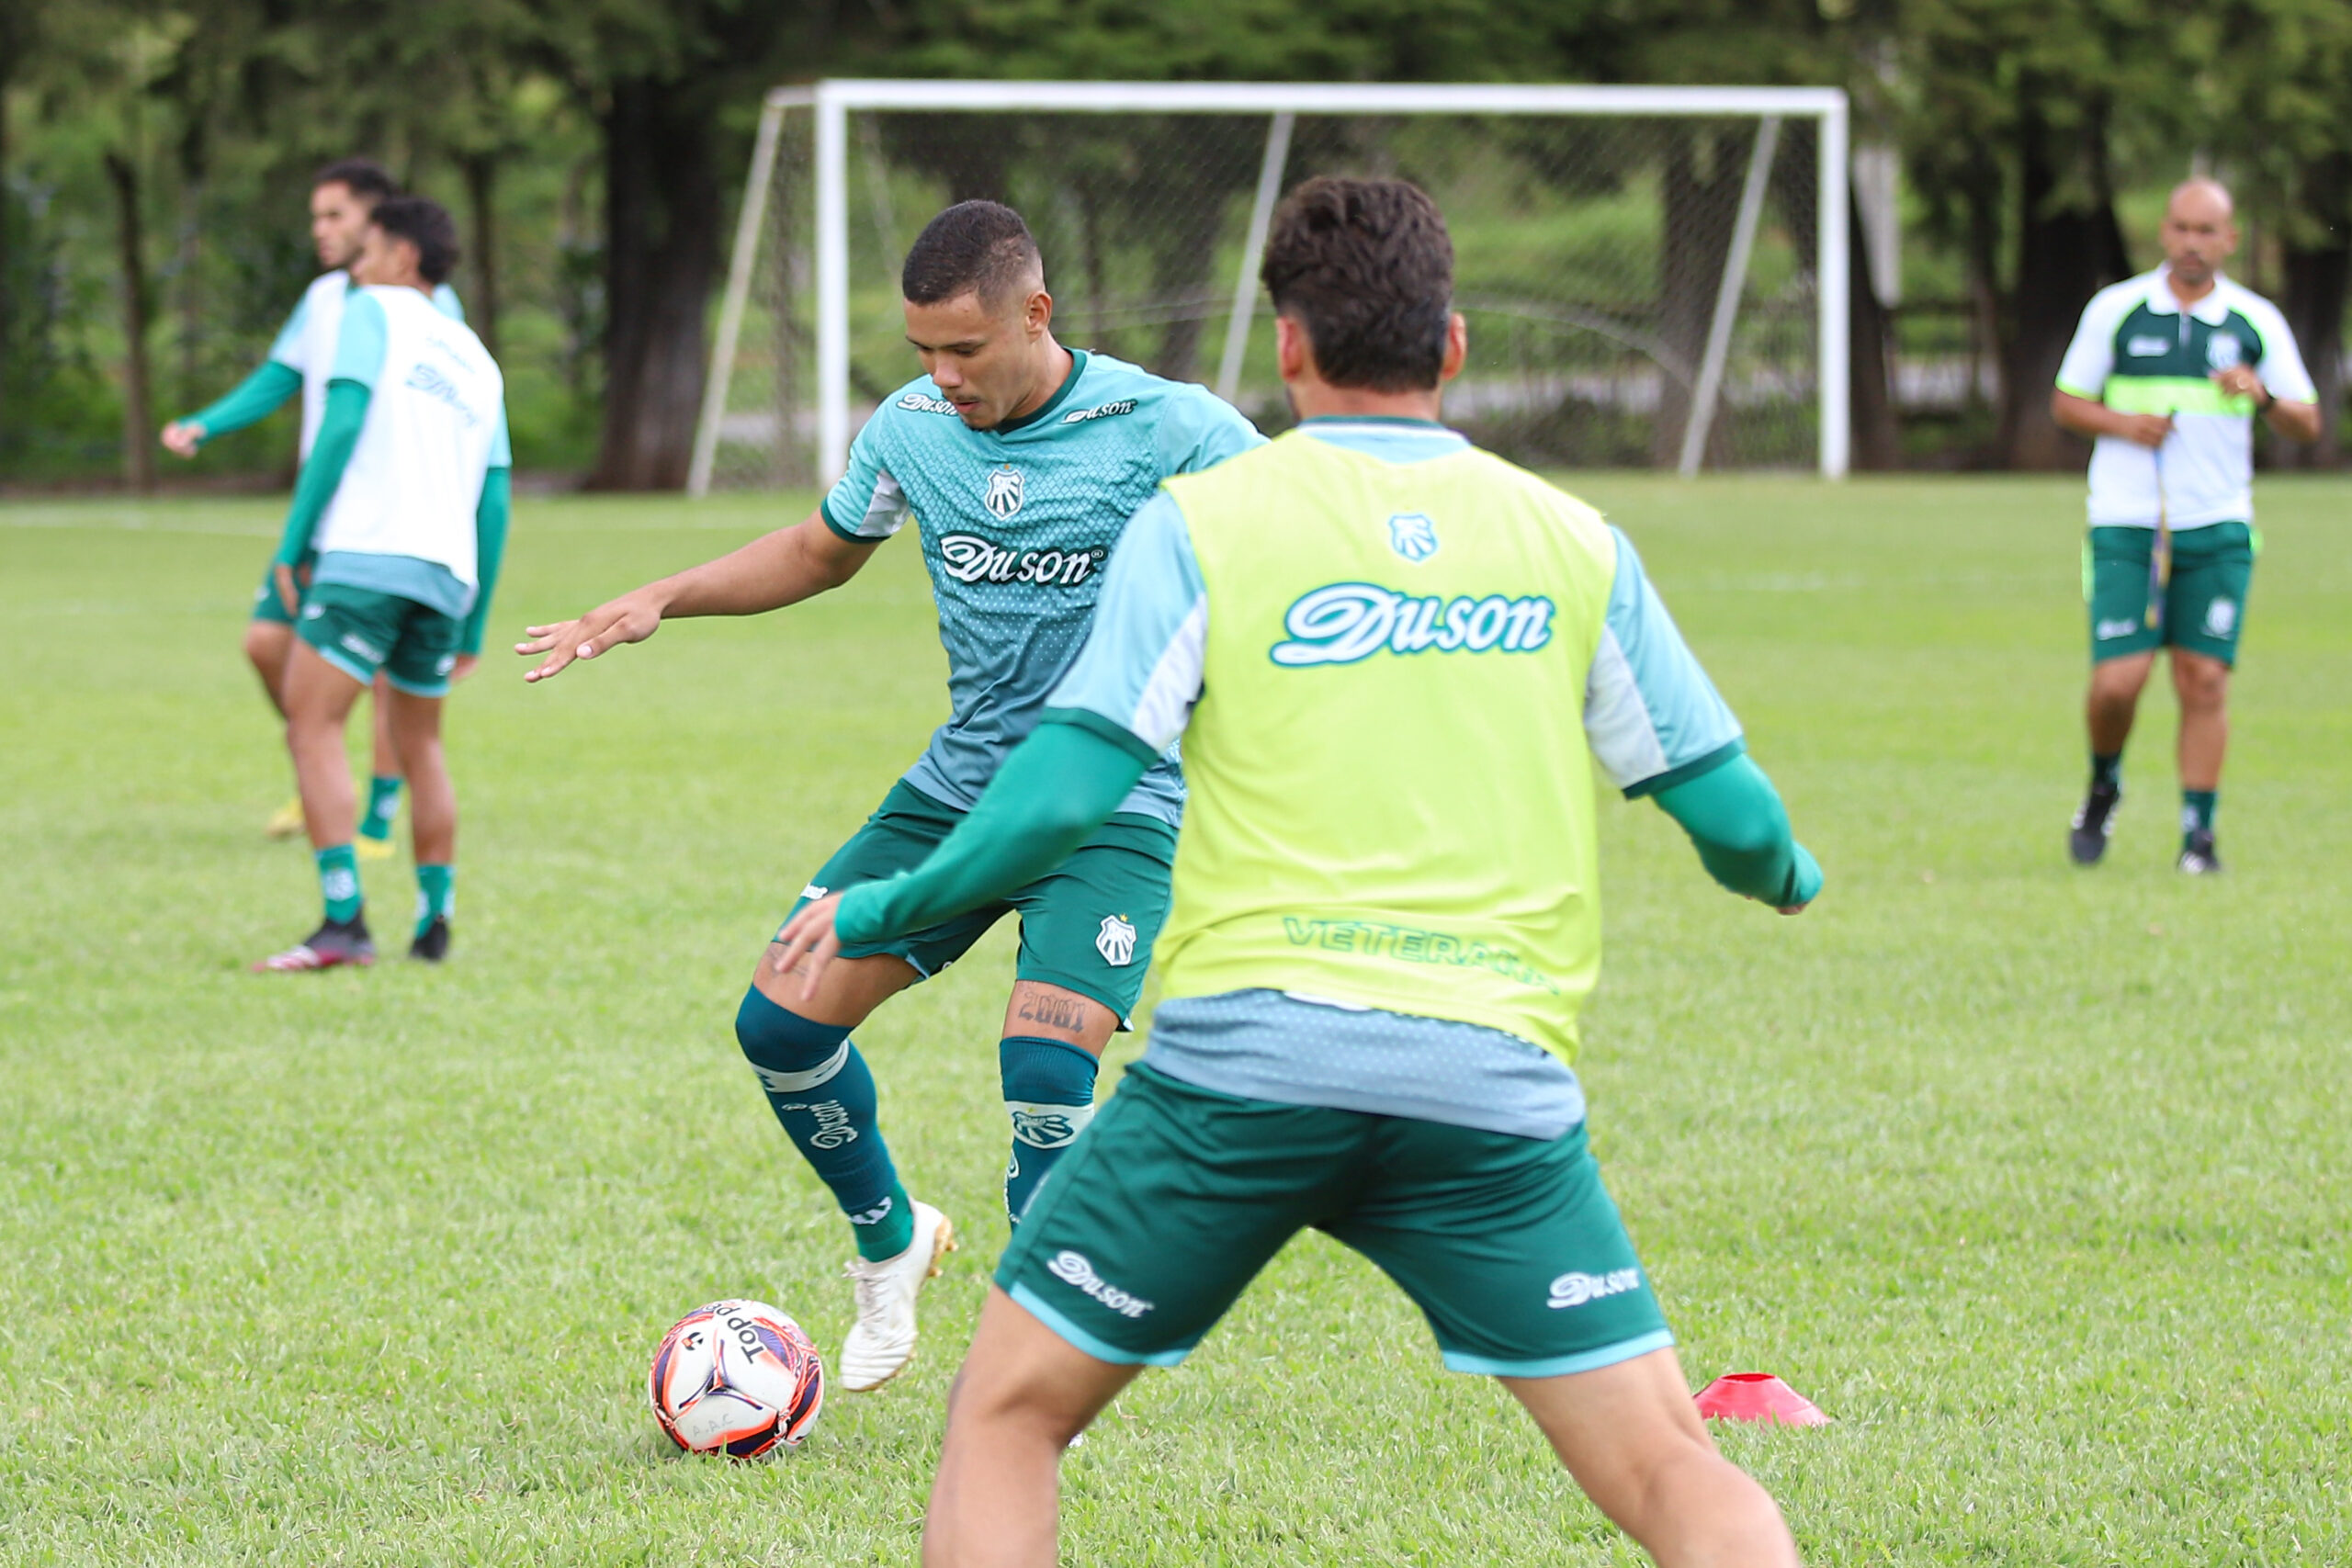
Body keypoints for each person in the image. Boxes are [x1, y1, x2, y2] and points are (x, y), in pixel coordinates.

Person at [770, 177, 1819, 1568]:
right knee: (1676, 1469)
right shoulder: (1573, 541)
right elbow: (1739, 826)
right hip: (1486, 1083)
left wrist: (887, 904)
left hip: (1244, 1070)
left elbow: (1065, 792)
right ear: (1452, 347)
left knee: (1007, 1418)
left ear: (1286, 351)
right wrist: (1792, 873)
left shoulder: (1207, 522)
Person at [517, 201, 1262, 1392]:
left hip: (1115, 803)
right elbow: (820, 548)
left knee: (1048, 1072)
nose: (940, 375)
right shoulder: (913, 429)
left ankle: (1034, 1370)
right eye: (921, 351)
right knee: (779, 1023)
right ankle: (892, 1239)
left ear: (1037, 314)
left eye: (964, 350)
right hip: (959, 787)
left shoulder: (1169, 428)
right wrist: (659, 594)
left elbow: (1299, 552)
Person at [162, 158, 469, 859]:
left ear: (378, 222)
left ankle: (378, 819)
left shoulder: (426, 304)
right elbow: (281, 377)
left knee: (396, 678)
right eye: (316, 217)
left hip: (394, 527)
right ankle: (322, 770)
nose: (320, 230)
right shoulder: (327, 297)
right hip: (329, 519)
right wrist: (206, 422)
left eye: (334, 215)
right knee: (266, 643)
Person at [254, 196, 511, 972]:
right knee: (421, 743)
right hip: (446, 574)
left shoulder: (374, 311)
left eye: (366, 253)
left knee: (312, 723)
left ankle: (343, 922)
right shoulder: (476, 356)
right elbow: (493, 498)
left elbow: (340, 421)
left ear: (403, 258)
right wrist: (474, 620)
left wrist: (295, 544)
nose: (353, 268)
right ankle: (435, 921)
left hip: (367, 556)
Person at [2052, 177, 2319, 874]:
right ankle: (2103, 783)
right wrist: (2122, 423)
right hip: (2128, 521)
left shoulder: (2254, 321)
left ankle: (2198, 838)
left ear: (2230, 240)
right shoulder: (2118, 310)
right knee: (2119, 680)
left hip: (2217, 523)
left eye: (2207, 231)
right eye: (2181, 228)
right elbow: (2065, 401)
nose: (2192, 243)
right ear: (2164, 233)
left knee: (2205, 679)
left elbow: (2307, 420)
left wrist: (2261, 395)